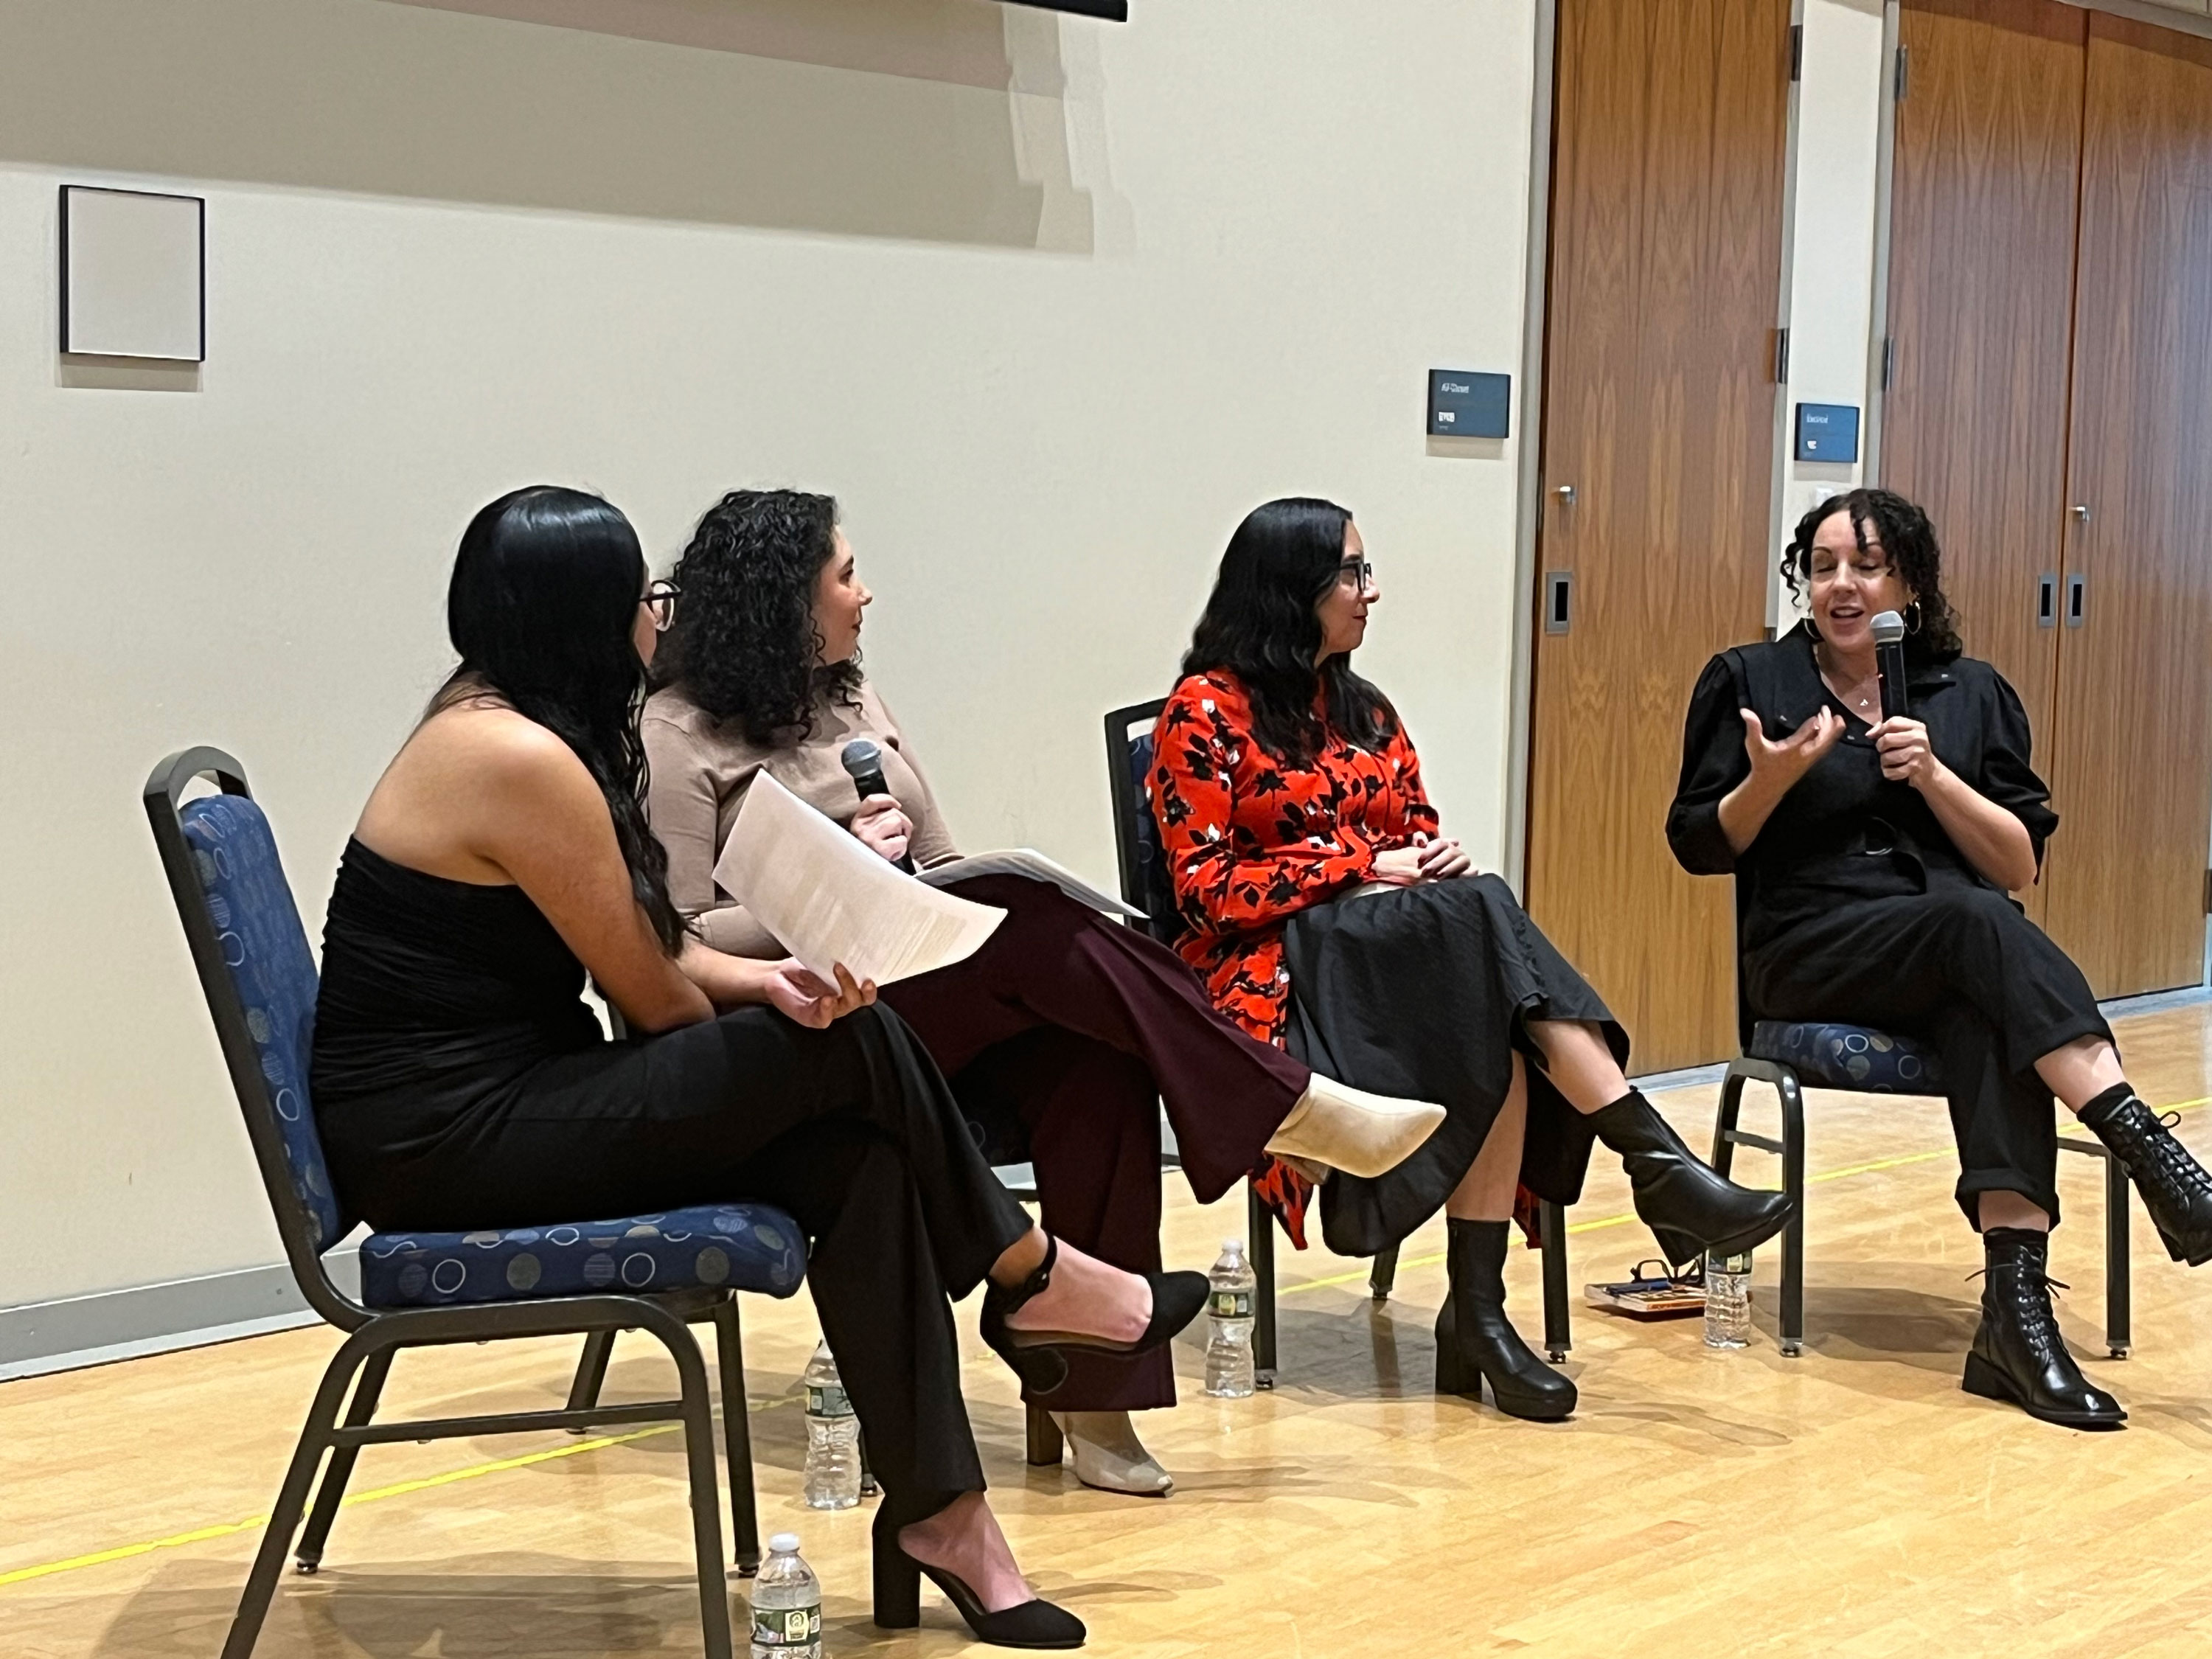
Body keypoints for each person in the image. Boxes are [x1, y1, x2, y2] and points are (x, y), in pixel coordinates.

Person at [310, 487, 1217, 1649]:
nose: (662, 613)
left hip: (498, 1100)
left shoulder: (513, 722)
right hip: (444, 1139)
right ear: (587, 612)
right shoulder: (510, 756)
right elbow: (653, 998)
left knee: (857, 1156)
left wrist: (778, 980)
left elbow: (666, 953)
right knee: (847, 1037)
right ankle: (1032, 1269)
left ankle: (951, 1517)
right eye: (645, 594)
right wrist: (787, 1003)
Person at [642, 488, 1444, 1496]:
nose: (867, 593)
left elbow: (939, 862)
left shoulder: (852, 700)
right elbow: (673, 944)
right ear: (778, 599)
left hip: (907, 986)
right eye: (845, 576)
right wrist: (831, 872)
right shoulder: (678, 734)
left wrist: (917, 877)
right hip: (791, 1025)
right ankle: (1279, 1101)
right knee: (1029, 921)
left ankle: (1093, 1396)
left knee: (1089, 1050)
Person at [1152, 497, 1792, 1422]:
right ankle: (1651, 1167)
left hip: (1388, 967)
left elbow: (1417, 831)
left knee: (1485, 968)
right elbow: (1205, 889)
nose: (1372, 594)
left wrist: (1425, 862)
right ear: (1295, 592)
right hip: (1274, 978)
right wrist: (1358, 868)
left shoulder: (1367, 710)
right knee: (1488, 933)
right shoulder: (1204, 711)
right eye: (1353, 575)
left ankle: (1485, 1309)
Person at [1668, 487, 2212, 1429]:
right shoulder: (1753, 680)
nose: (1843, 586)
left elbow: (2019, 863)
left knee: (1987, 994)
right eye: (1824, 565)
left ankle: (2016, 1316)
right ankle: (2152, 1154)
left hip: (1951, 959)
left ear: (1909, 586)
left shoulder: (1973, 692)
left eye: (1868, 566)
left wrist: (1936, 775)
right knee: (1976, 926)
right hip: (1809, 953)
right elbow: (1699, 845)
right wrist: (1769, 782)